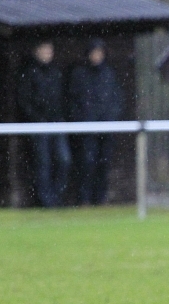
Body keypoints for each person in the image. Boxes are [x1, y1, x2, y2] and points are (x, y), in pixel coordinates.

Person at [67, 39, 123, 205]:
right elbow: (72, 101)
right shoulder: (79, 74)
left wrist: (110, 118)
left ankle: (100, 198)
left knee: (103, 163)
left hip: (106, 127)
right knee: (87, 163)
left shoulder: (109, 74)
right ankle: (84, 198)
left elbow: (117, 99)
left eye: (99, 53)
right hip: (87, 128)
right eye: (94, 53)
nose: (97, 56)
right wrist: (81, 119)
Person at [17, 40, 71, 208]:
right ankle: (46, 201)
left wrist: (61, 116)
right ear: (36, 51)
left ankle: (56, 197)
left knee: (64, 159)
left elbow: (63, 97)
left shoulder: (56, 72)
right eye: (44, 50)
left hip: (57, 123)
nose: (47, 53)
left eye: (49, 50)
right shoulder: (29, 72)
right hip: (39, 125)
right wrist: (37, 118)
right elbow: (24, 100)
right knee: (43, 162)